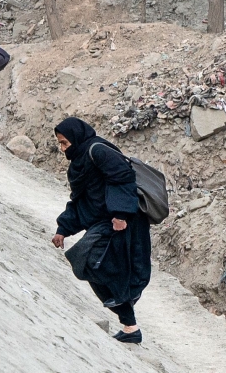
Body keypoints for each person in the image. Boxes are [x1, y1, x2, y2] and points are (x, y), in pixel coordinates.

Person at [51, 117, 152, 344]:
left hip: (123, 221)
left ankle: (127, 308)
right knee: (88, 263)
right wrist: (63, 229)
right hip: (105, 221)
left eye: (65, 143)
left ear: (76, 138)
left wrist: (120, 214)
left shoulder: (97, 151)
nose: (62, 148)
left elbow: (124, 177)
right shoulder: (78, 163)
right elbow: (80, 200)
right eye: (60, 143)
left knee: (98, 261)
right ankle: (130, 326)